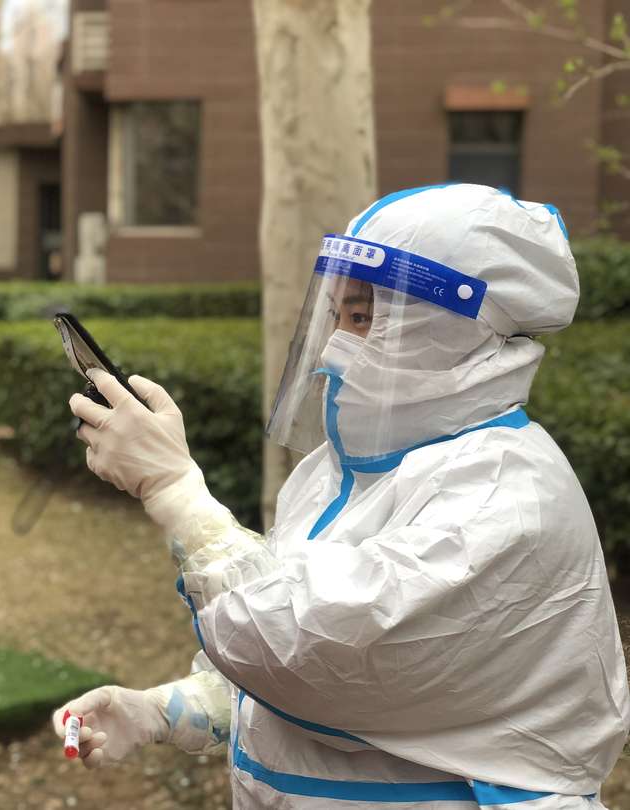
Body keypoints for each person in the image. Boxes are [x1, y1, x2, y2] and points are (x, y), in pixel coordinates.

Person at [54, 184, 630, 808]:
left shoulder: (505, 495)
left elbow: (311, 653)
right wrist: (164, 711)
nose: (331, 347)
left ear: (451, 330)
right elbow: (286, 659)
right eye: (335, 316)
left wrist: (175, 490)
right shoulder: (334, 472)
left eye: (362, 318)